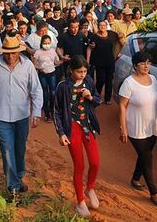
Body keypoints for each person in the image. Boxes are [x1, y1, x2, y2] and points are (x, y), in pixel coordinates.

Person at [0, 35, 43, 204]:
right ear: (3, 52)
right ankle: (13, 187)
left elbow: (36, 90)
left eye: (13, 52)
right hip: (1, 117)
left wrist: (36, 112)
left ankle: (18, 177)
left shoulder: (27, 65)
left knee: (19, 149)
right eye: (7, 53)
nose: (10, 56)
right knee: (7, 151)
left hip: (22, 116)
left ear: (18, 52)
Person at [54, 56, 101, 218]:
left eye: (84, 71)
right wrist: (61, 133)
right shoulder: (63, 86)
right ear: (71, 71)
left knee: (95, 162)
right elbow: (57, 111)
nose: (82, 74)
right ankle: (80, 202)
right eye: (79, 71)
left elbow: (97, 100)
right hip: (72, 128)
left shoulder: (88, 81)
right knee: (79, 166)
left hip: (87, 126)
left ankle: (90, 188)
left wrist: (90, 97)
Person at [118, 52, 157, 206]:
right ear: (135, 65)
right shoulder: (129, 83)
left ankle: (135, 178)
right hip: (135, 127)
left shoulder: (153, 79)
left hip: (152, 125)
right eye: (142, 63)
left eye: (148, 63)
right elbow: (122, 106)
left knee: (145, 154)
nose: (146, 66)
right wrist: (123, 129)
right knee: (147, 157)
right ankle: (154, 192)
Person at [86, 20, 119, 104]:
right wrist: (87, 60)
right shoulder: (94, 36)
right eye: (100, 25)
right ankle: (97, 96)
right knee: (101, 79)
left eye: (104, 25)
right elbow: (89, 48)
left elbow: (120, 37)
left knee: (109, 80)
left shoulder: (111, 34)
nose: (102, 27)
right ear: (98, 26)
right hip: (99, 62)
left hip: (110, 61)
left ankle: (107, 99)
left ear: (106, 26)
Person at [33, 35, 63, 122]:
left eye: (48, 43)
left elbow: (56, 62)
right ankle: (47, 114)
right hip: (42, 74)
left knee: (53, 93)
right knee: (45, 93)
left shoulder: (53, 51)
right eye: (45, 43)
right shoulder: (38, 52)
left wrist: (63, 60)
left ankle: (53, 111)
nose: (47, 45)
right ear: (41, 43)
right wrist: (39, 68)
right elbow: (33, 64)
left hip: (52, 74)